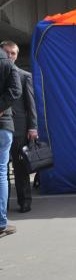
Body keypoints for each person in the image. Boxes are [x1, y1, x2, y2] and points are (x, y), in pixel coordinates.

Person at [1, 41, 38, 213]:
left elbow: (31, 104)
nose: (9, 56)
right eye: (6, 52)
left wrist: (33, 127)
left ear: (16, 56)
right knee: (3, 169)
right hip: (3, 127)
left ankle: (25, 202)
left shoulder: (24, 76)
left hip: (20, 128)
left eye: (13, 53)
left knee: (20, 167)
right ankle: (4, 204)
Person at [0, 46, 22, 237]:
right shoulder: (7, 64)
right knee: (1, 173)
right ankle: (1, 223)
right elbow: (16, 91)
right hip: (3, 124)